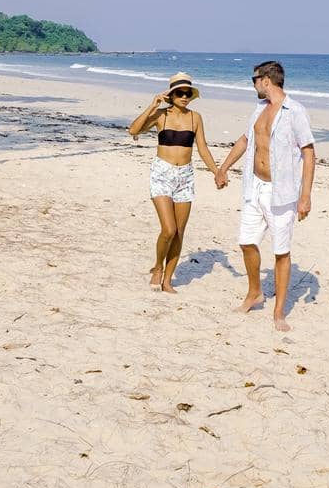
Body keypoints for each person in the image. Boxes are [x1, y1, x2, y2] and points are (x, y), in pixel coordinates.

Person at [217, 60, 315, 332]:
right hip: (254, 187)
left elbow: (309, 152)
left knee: (281, 252)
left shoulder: (295, 111)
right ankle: (255, 292)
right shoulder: (259, 109)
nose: (253, 85)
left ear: (266, 80)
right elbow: (246, 140)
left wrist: (305, 196)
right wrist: (223, 168)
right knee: (246, 243)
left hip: (280, 194)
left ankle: (279, 311)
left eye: (254, 80)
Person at [128, 71, 224, 293]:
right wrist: (152, 106)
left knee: (179, 232)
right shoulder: (160, 116)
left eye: (187, 93)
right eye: (179, 93)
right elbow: (134, 130)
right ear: (171, 94)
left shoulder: (195, 118)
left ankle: (168, 279)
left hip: (185, 176)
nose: (184, 96)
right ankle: (157, 267)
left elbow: (202, 148)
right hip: (162, 172)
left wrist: (216, 171)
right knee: (168, 229)